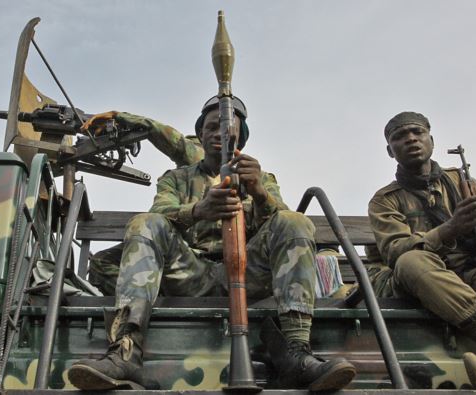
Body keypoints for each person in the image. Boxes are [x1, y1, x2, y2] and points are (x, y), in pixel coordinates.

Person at [68, 96, 356, 391]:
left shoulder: (260, 177)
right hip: (191, 273)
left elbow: (281, 226)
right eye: (211, 127)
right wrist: (197, 211)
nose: (219, 132)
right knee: (145, 222)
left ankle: (297, 353)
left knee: (294, 221)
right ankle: (125, 353)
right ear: (201, 135)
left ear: (240, 137)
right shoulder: (176, 179)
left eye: (227, 127)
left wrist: (259, 193)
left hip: (249, 274)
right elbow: (159, 214)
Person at [368, 111, 476, 390]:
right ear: (391, 151)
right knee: (411, 261)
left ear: (432, 141)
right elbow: (396, 250)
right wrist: (451, 228)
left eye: (418, 132)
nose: (411, 139)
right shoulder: (384, 201)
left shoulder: (461, 181)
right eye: (400, 137)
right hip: (431, 277)